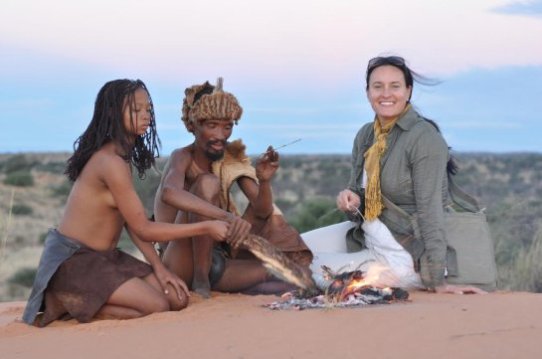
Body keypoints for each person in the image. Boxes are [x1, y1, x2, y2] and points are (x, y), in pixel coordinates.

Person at [23, 79, 231, 327]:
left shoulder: (121, 157)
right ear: (112, 112)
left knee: (176, 298)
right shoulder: (110, 162)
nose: (145, 116)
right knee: (157, 306)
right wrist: (206, 227)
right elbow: (144, 228)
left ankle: (83, 300)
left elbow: (131, 224)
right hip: (76, 263)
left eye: (148, 111)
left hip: (107, 260)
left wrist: (159, 268)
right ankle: (66, 301)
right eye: (136, 110)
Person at [301, 56, 485, 295]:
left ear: (408, 91)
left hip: (404, 255)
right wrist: (351, 200)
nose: (385, 94)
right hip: (368, 236)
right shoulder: (367, 135)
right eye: (378, 86)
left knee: (306, 270)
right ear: (367, 92)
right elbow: (360, 196)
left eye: (395, 86)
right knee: (293, 249)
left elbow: (431, 211)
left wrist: (437, 278)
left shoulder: (424, 138)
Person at [153, 78, 313, 298]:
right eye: (211, 126)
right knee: (208, 182)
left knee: (299, 274)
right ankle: (201, 284)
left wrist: (264, 180)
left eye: (227, 126)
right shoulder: (182, 157)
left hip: (216, 261)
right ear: (193, 124)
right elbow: (170, 193)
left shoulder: (229, 156)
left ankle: (222, 283)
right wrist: (226, 218)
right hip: (180, 263)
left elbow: (263, 211)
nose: (220, 135)